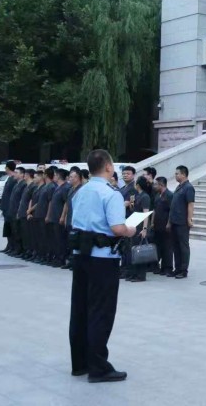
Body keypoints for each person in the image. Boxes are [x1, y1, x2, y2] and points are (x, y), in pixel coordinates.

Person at [69, 149, 137, 383]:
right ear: (108, 166)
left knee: (80, 308)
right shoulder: (111, 193)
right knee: (101, 311)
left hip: (81, 255)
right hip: (103, 258)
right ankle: (98, 367)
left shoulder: (81, 191)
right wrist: (131, 230)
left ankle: (80, 363)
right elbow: (117, 228)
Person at [168, 165, 195, 279]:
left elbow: (190, 204)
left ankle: (184, 270)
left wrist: (189, 219)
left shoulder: (188, 187)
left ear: (183, 174)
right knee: (176, 246)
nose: (175, 175)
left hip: (182, 222)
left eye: (177, 173)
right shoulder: (179, 187)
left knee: (183, 246)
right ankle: (177, 268)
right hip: (175, 221)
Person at [127, 178, 153, 282]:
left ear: (138, 185)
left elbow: (146, 214)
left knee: (140, 251)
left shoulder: (145, 197)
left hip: (141, 227)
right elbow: (133, 209)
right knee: (134, 250)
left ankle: (141, 275)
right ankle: (134, 273)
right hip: (135, 226)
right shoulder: (137, 195)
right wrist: (131, 203)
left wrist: (145, 229)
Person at [60, 167, 84, 270]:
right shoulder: (70, 189)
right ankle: (70, 261)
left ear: (78, 178)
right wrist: (63, 216)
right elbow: (67, 203)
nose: (70, 179)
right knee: (70, 241)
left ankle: (76, 262)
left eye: (72, 177)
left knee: (77, 241)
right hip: (70, 218)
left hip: (77, 220)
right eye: (70, 177)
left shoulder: (81, 189)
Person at [47, 168, 71, 267]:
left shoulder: (65, 187)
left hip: (59, 217)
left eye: (55, 175)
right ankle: (57, 257)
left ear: (59, 176)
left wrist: (63, 216)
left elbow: (66, 203)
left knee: (61, 240)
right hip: (54, 217)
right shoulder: (58, 187)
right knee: (56, 239)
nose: (54, 177)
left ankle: (61, 259)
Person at [152, 177, 174, 276]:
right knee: (159, 246)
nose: (154, 186)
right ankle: (162, 267)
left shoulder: (169, 195)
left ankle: (168, 268)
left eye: (156, 184)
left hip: (165, 225)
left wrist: (169, 223)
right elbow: (154, 210)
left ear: (161, 185)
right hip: (157, 225)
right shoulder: (157, 195)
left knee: (167, 247)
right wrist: (152, 222)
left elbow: (171, 211)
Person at [17, 169, 38, 260]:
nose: (24, 176)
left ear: (28, 175)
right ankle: (26, 250)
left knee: (29, 234)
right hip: (22, 212)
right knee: (24, 233)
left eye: (25, 174)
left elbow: (32, 201)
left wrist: (29, 211)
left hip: (28, 213)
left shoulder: (33, 186)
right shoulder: (27, 186)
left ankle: (30, 251)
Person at [6, 167, 27, 256]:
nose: (14, 174)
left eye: (17, 172)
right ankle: (14, 248)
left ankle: (19, 249)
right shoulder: (16, 184)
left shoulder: (23, 185)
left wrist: (18, 211)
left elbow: (22, 200)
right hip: (12, 210)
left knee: (18, 231)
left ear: (22, 174)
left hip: (17, 211)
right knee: (14, 231)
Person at [0, 161, 18, 253]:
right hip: (6, 206)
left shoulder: (14, 179)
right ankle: (9, 245)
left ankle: (13, 246)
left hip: (10, 207)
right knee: (7, 227)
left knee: (11, 227)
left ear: (7, 168)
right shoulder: (10, 178)